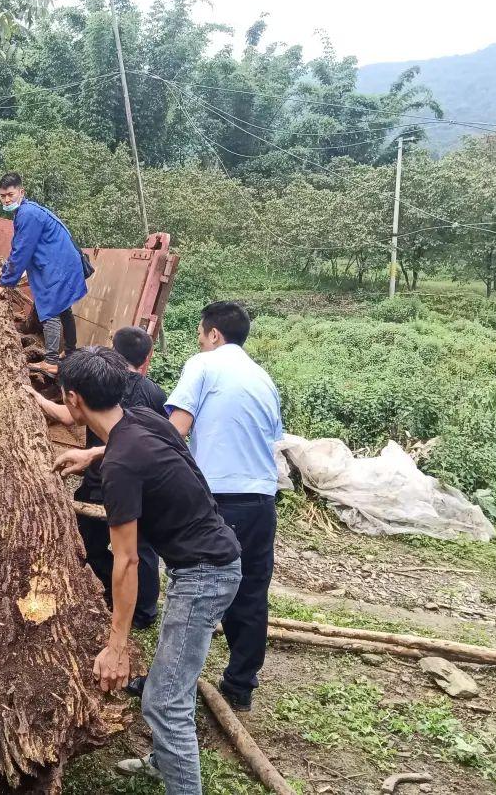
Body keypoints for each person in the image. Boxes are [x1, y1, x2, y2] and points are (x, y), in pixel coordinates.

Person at [53, 347, 241, 795]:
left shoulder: (121, 466)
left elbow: (128, 560)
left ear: (73, 399)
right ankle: (163, 761)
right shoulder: (142, 418)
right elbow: (144, 449)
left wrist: (117, 646)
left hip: (204, 575)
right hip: (212, 560)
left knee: (163, 701)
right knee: (173, 677)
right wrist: (92, 456)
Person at [165, 301, 283, 713]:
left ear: (213, 334)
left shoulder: (204, 364)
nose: (200, 340)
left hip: (220, 495)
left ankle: (171, 679)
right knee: (250, 589)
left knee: (196, 588)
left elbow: (176, 430)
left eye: (201, 332)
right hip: (262, 496)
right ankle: (239, 685)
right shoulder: (263, 378)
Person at [25, 326, 165, 628]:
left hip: (103, 479)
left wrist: (32, 395)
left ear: (113, 350)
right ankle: (142, 611)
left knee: (86, 541)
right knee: (140, 549)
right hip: (135, 483)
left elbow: (66, 415)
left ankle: (105, 592)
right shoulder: (154, 392)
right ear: (146, 357)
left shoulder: (97, 382)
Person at [0, 172, 88, 376]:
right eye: (2, 196)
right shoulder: (28, 211)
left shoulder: (27, 214)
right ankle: (69, 352)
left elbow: (21, 250)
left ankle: (51, 361)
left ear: (21, 192)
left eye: (10, 194)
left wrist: (4, 283)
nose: (6, 199)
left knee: (49, 309)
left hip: (58, 267)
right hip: (62, 264)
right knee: (63, 309)